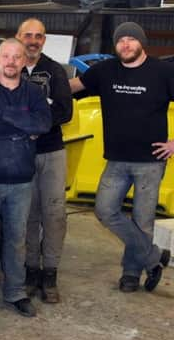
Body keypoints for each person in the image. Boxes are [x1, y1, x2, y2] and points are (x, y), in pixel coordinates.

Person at [69, 22, 172, 293]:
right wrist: (33, 88)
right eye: (120, 41)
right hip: (116, 160)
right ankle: (153, 257)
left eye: (131, 39)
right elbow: (74, 85)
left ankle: (130, 273)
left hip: (151, 161)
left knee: (142, 220)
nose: (125, 44)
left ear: (142, 43)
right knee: (104, 210)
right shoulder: (104, 71)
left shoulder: (163, 71)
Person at [0, 38, 51, 317]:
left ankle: (15, 292)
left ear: (23, 60)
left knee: (17, 240)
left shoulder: (34, 93)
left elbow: (43, 124)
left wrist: (3, 115)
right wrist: (20, 122)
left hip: (21, 181)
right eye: (6, 56)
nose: (11, 62)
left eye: (17, 57)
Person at [16, 18, 73, 303]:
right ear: (18, 37)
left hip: (51, 152)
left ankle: (49, 274)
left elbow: (64, 111)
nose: (33, 40)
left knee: (54, 214)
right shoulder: (10, 67)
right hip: (20, 155)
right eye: (28, 35)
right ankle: (30, 270)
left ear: (44, 41)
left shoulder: (54, 71)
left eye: (39, 36)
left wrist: (37, 126)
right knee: (28, 215)